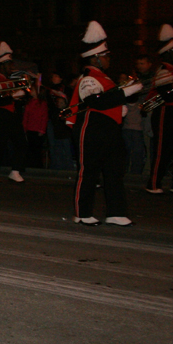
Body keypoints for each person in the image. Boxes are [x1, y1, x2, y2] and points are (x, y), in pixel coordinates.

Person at [66, 21, 141, 226]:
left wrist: (130, 94)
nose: (109, 60)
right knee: (88, 170)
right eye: (106, 56)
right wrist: (125, 92)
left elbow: (115, 100)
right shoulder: (88, 78)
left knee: (114, 171)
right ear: (96, 58)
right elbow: (96, 101)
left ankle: (116, 212)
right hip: (91, 128)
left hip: (110, 129)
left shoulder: (106, 78)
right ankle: (82, 212)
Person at [145, 24, 173, 194]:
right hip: (165, 112)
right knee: (163, 148)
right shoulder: (163, 71)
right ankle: (153, 183)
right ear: (168, 52)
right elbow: (168, 95)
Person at [0, 42, 28, 183]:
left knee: (21, 142)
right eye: (9, 65)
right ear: (2, 65)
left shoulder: (9, 81)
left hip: (13, 115)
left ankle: (15, 171)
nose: (12, 68)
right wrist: (13, 96)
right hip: (2, 114)